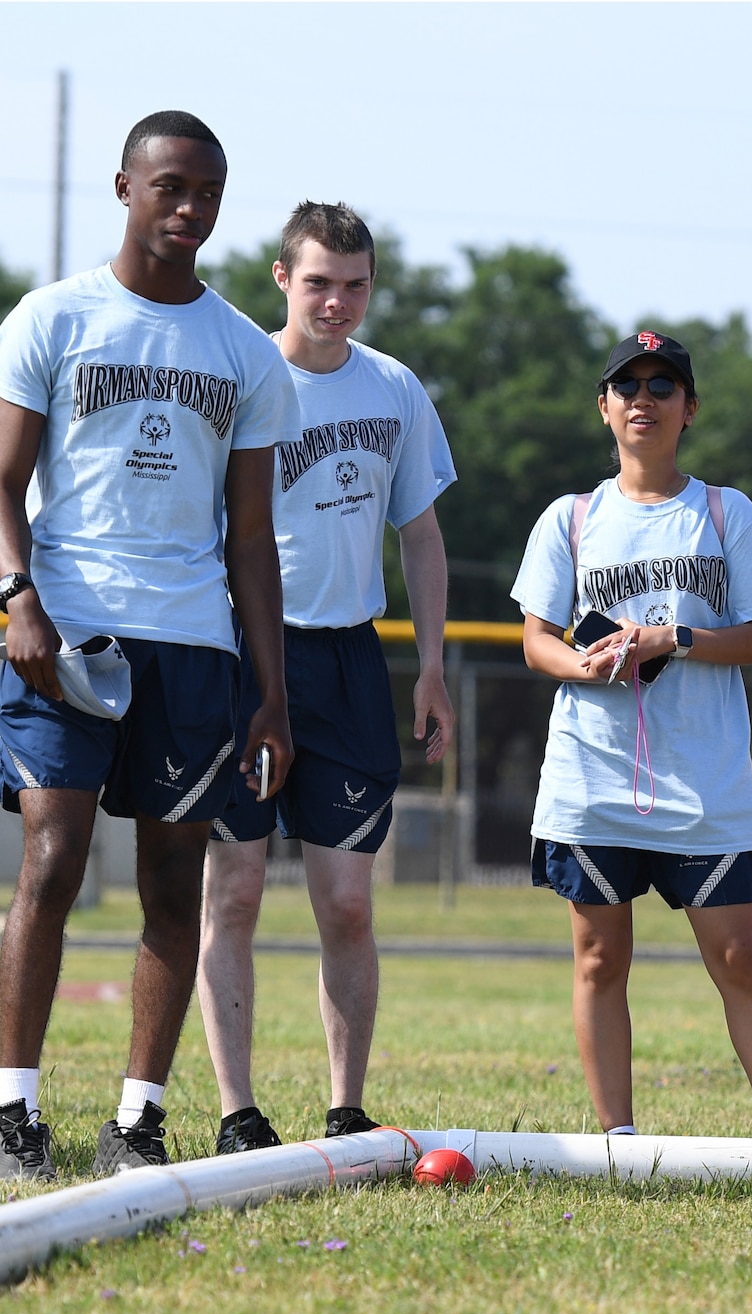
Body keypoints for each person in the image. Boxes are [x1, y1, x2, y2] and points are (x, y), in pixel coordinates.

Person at [0, 110, 297, 1179]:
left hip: (193, 645)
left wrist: (270, 691)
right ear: (125, 188)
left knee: (175, 883)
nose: (189, 209)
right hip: (66, 629)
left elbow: (254, 537)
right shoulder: (53, 317)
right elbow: (0, 479)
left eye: (207, 192)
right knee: (53, 859)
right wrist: (16, 594)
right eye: (170, 186)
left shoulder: (243, 352)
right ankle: (13, 1110)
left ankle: (137, 1118)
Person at [197, 203, 455, 1151]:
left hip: (350, 658)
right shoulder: (240, 378)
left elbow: (420, 534)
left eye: (354, 285)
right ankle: (237, 1111)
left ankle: (346, 1108)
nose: (338, 302)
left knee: (347, 900)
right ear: (281, 279)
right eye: (319, 283)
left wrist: (429, 668)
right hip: (249, 653)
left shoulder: (393, 388)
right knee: (237, 889)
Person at [512, 330, 752, 1141]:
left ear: (690, 408)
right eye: (628, 385)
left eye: (664, 385)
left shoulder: (724, 511)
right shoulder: (570, 519)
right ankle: (618, 1140)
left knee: (737, 957)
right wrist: (581, 665)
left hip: (702, 778)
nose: (646, 397)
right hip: (594, 774)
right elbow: (536, 638)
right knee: (600, 960)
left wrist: (670, 639)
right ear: (604, 407)